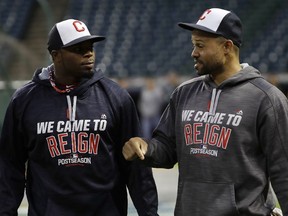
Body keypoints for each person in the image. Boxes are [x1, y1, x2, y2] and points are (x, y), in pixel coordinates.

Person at [122, 8, 288, 216]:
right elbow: (166, 148)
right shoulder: (183, 93)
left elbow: (283, 170)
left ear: (227, 46)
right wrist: (145, 149)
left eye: (200, 45)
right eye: (194, 45)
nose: (194, 52)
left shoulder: (266, 98)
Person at [0, 19, 159, 216]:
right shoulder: (24, 101)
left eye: (90, 47)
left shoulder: (116, 97)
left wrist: (149, 213)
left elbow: (136, 168)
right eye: (78, 49)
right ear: (56, 55)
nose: (89, 53)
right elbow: (9, 167)